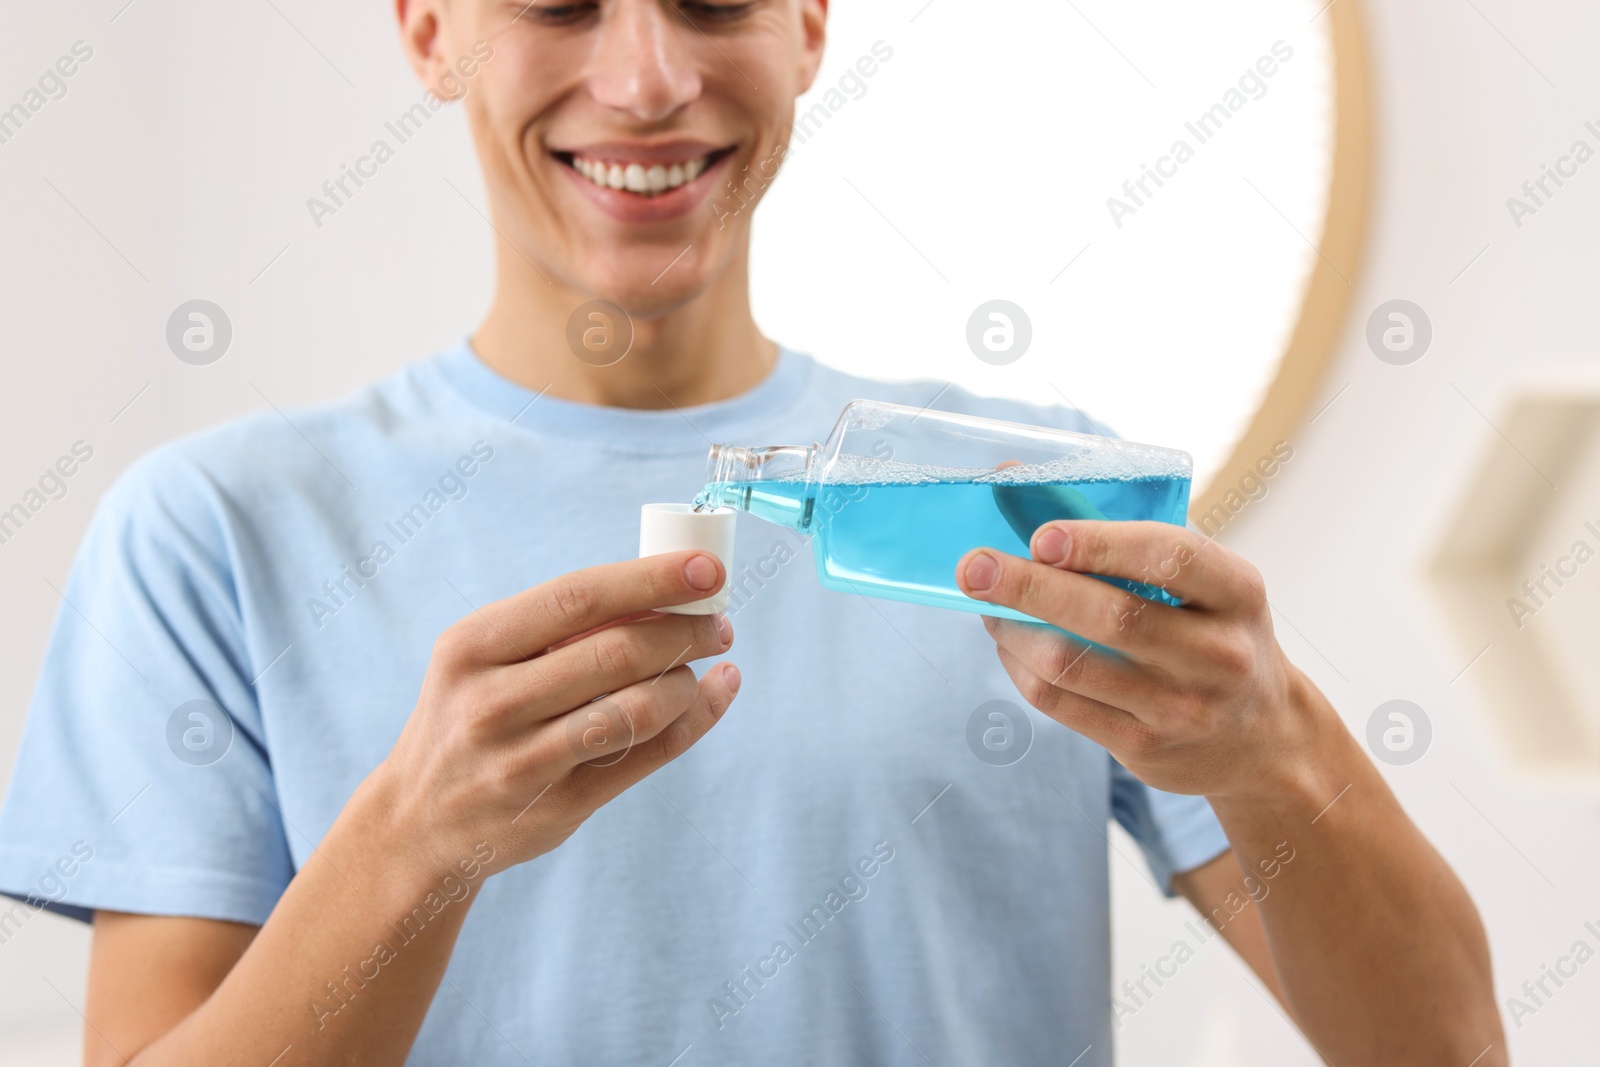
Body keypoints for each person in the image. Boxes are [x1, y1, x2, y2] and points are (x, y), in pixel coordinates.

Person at [0, 1, 1504, 1064]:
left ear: (809, 25)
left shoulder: (1019, 511)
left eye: (715, 2)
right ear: (427, 28)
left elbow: (1444, 1053)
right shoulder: (211, 538)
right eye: (562, 4)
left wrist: (1273, 743)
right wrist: (416, 845)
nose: (649, 79)